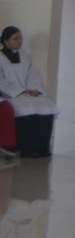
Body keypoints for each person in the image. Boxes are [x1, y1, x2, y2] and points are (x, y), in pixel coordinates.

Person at [0, 27, 58, 157]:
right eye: (15, 38)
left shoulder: (24, 57)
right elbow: (1, 81)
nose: (19, 41)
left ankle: (42, 148)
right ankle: (26, 149)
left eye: (20, 38)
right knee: (25, 107)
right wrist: (20, 91)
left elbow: (33, 75)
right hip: (10, 95)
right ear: (6, 41)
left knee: (46, 105)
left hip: (28, 93)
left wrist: (34, 90)